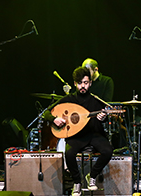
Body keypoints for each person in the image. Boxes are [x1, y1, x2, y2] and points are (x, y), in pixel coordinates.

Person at [43, 66, 114, 196]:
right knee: (69, 153)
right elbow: (46, 113)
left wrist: (102, 118)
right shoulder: (69, 99)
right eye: (80, 83)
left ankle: (91, 176)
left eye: (86, 83)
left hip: (94, 135)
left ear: (90, 83)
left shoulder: (96, 100)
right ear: (75, 84)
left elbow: (103, 119)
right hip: (76, 136)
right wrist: (54, 119)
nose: (83, 86)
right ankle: (77, 182)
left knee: (108, 151)